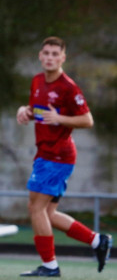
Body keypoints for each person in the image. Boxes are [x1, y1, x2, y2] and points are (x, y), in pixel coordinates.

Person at [16, 36, 112, 277]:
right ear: (40, 56)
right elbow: (37, 112)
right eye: (45, 53)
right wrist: (25, 111)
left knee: (36, 209)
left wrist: (60, 119)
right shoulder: (37, 81)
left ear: (62, 58)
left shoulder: (68, 87)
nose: (49, 57)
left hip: (58, 156)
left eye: (54, 54)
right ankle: (96, 240)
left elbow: (87, 120)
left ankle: (50, 266)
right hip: (44, 154)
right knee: (47, 214)